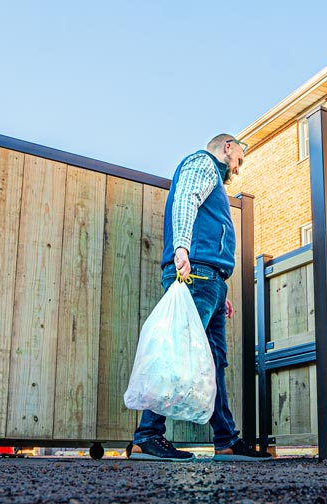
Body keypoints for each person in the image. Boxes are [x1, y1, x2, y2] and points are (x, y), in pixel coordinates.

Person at [126, 134, 272, 462]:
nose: (237, 169)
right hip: (197, 273)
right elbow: (185, 199)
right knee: (177, 351)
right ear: (228, 148)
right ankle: (147, 436)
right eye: (239, 161)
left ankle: (227, 440)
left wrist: (222, 290)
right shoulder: (202, 163)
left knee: (215, 362)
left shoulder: (216, 182)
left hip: (211, 279)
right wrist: (181, 247)